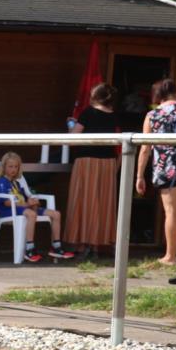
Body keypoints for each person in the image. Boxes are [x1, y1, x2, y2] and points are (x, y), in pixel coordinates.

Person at [135, 78, 176, 265]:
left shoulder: (153, 115)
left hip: (167, 166)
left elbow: (145, 147)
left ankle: (170, 256)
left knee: (172, 212)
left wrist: (139, 175)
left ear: (158, 95)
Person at [63, 83, 120, 260]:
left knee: (83, 201)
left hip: (87, 161)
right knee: (104, 203)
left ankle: (82, 243)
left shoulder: (88, 112)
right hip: (108, 162)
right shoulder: (115, 116)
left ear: (94, 96)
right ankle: (98, 244)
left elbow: (73, 139)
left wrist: (70, 126)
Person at [0, 152, 74, 262]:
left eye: (16, 167)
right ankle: (29, 249)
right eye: (10, 166)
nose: (13, 169)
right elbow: (7, 202)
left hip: (23, 209)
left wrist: (33, 202)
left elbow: (25, 197)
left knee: (56, 214)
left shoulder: (16, 183)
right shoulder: (2, 182)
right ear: (4, 167)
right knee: (31, 214)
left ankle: (56, 246)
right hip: (9, 211)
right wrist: (27, 204)